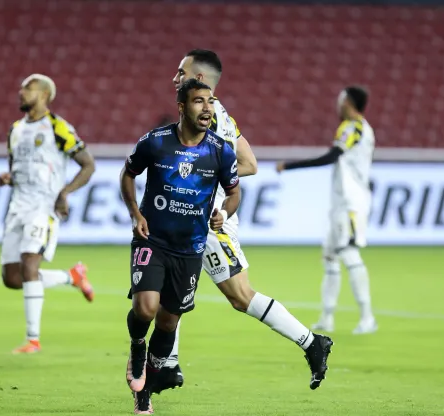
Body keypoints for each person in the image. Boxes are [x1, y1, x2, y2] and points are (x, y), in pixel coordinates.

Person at [152, 49, 334, 396]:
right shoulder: (220, 115)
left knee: (239, 295)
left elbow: (244, 164)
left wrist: (211, 189)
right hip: (193, 217)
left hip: (206, 221)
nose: (175, 77)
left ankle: (312, 343)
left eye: (181, 72)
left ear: (200, 79)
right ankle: (168, 365)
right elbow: (249, 162)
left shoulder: (209, 119)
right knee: (169, 289)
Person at [121, 79, 241, 414]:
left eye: (211, 101)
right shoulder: (155, 142)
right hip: (152, 239)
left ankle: (145, 392)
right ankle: (136, 349)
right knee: (146, 308)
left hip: (189, 250)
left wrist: (223, 213)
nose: (207, 108)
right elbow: (127, 174)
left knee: (168, 323)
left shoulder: (220, 150)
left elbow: (234, 192)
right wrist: (135, 213)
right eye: (199, 101)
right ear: (182, 107)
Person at [0, 73, 97, 354]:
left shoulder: (58, 127)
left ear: (43, 95)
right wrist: (8, 178)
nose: (20, 91)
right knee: (12, 278)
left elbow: (88, 165)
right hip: (17, 207)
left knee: (30, 266)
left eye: (27, 87)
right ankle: (72, 277)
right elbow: (19, 170)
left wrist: (64, 192)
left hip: (44, 207)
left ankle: (33, 340)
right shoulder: (15, 130)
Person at [276, 86, 378, 335]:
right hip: (341, 202)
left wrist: (290, 166)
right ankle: (327, 317)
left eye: (341, 99)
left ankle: (367, 317)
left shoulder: (352, 127)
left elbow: (331, 157)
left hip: (352, 203)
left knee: (350, 254)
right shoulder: (360, 128)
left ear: (348, 102)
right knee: (331, 257)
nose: (337, 103)